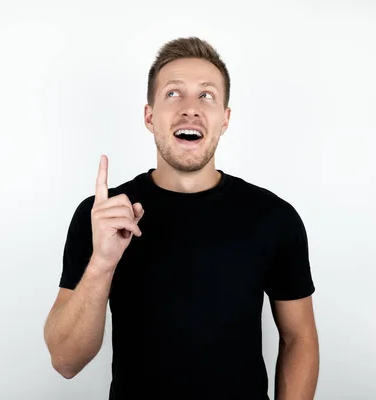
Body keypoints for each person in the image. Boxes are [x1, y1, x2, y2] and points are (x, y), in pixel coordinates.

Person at [44, 36, 319, 400]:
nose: (191, 108)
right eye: (174, 93)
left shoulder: (274, 218)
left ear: (225, 119)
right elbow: (66, 361)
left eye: (206, 96)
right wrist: (102, 264)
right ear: (150, 116)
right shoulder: (102, 216)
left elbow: (299, 337)